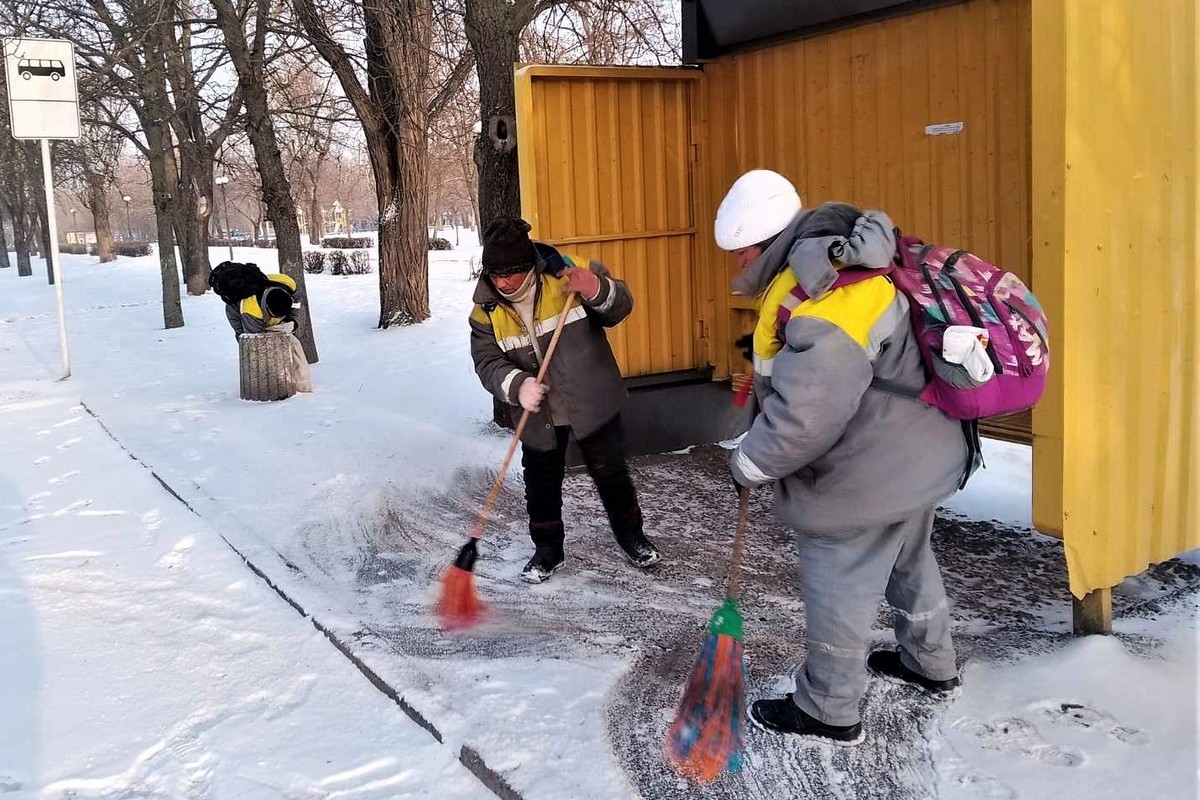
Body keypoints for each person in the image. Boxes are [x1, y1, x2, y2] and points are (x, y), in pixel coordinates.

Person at [716, 170, 970, 744]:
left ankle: (828, 708)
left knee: (837, 582)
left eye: (740, 252)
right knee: (909, 559)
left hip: (869, 471)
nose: (737, 265)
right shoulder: (846, 257)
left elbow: (810, 412)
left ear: (764, 242)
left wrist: (749, 463)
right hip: (919, 451)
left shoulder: (825, 294)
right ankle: (930, 664)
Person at [469, 216, 660, 583]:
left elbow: (620, 308)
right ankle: (547, 550)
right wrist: (517, 385)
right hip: (538, 410)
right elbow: (486, 361)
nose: (503, 282)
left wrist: (596, 288)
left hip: (589, 394)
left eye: (511, 273)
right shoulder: (485, 311)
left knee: (611, 472)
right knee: (540, 482)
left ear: (528, 265)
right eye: (495, 274)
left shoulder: (567, 274)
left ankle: (632, 536)